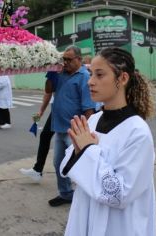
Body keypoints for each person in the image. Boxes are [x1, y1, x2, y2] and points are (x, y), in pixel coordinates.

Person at [59, 47, 156, 236]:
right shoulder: (94, 120)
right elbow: (72, 166)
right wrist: (79, 151)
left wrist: (87, 150)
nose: (90, 82)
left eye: (99, 75)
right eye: (90, 74)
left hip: (118, 225)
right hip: (85, 212)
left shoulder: (137, 132)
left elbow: (120, 194)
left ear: (122, 79)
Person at [49, 45, 96, 207]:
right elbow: (49, 90)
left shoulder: (84, 77)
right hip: (60, 128)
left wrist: (85, 133)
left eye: (69, 60)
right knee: (58, 164)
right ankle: (66, 193)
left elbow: (89, 109)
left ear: (79, 59)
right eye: (64, 59)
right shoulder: (61, 74)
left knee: (80, 165)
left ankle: (88, 196)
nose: (66, 63)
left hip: (75, 132)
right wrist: (50, 73)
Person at [19, 71, 59, 182]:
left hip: (72, 110)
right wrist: (41, 111)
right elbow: (48, 92)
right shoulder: (54, 72)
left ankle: (73, 175)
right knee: (45, 136)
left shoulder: (80, 73)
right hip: (57, 110)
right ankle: (37, 170)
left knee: (70, 143)